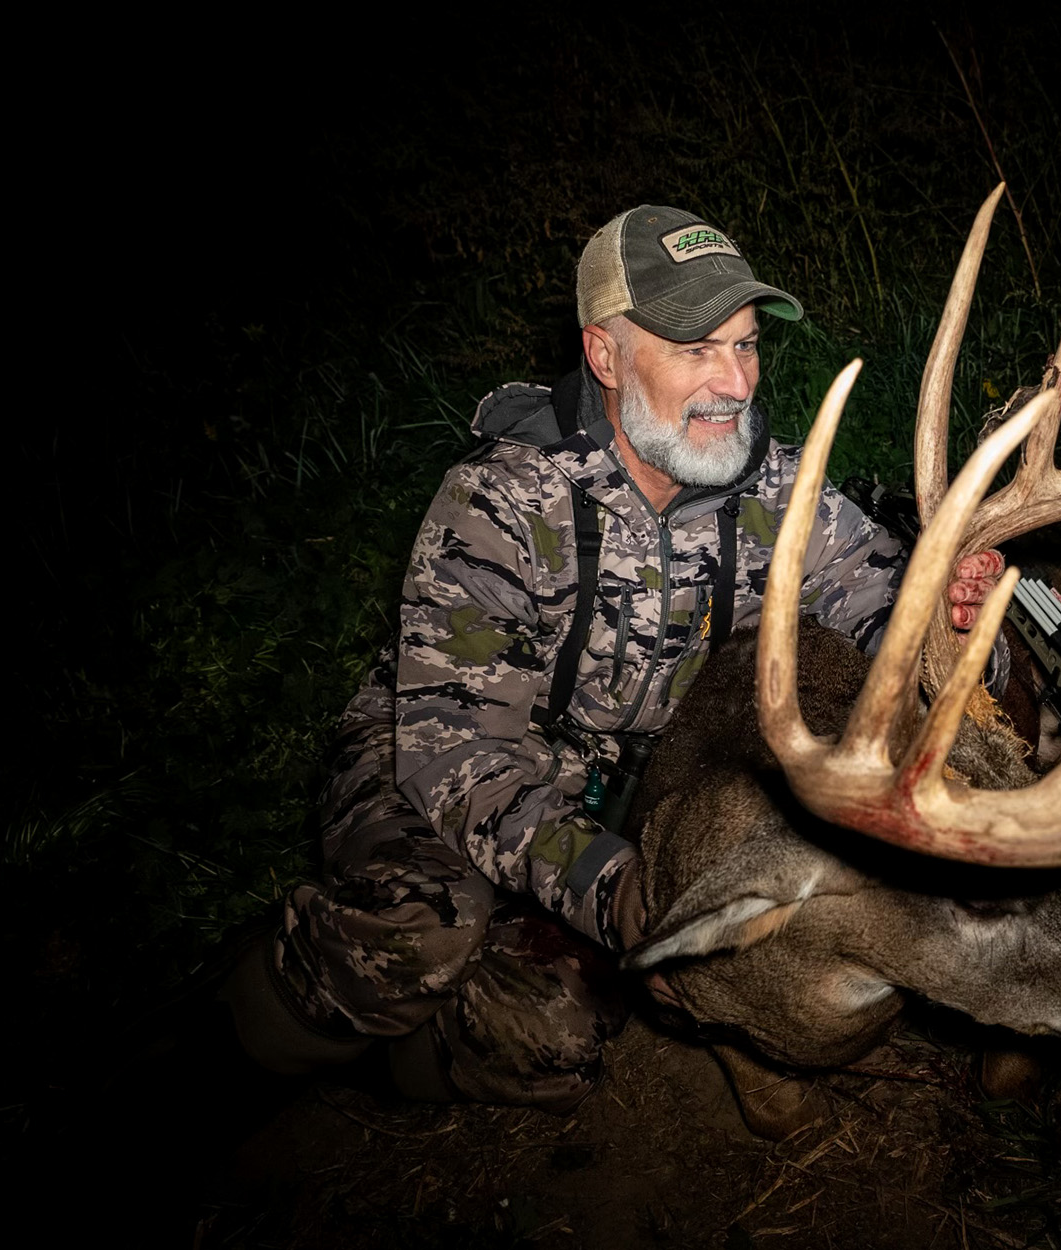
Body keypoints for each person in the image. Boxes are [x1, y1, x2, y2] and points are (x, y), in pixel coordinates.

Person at [224, 204, 1004, 1112]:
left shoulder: (778, 484)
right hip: (429, 757)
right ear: (605, 356)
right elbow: (458, 762)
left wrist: (951, 628)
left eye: (747, 346)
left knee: (560, 1047)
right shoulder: (500, 506)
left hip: (612, 784)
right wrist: (614, 887)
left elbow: (885, 605)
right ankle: (237, 1041)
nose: (735, 382)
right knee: (427, 932)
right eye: (696, 349)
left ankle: (399, 1055)